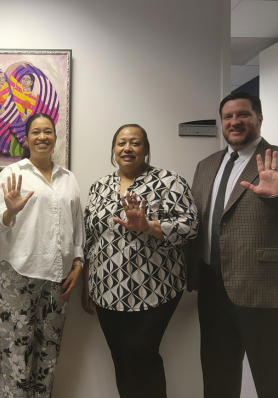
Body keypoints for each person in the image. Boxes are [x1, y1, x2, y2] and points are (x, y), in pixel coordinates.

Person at [186, 92, 278, 398]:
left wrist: (277, 194)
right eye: (228, 116)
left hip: (266, 289)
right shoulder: (206, 165)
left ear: (259, 118)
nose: (235, 122)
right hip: (213, 288)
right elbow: (197, 221)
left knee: (274, 383)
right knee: (218, 378)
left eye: (243, 115)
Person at [81, 124, 198, 398]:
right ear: (114, 149)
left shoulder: (169, 181)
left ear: (146, 149)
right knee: (120, 357)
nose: (128, 148)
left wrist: (149, 226)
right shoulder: (99, 186)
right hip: (105, 290)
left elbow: (190, 226)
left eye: (135, 143)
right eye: (121, 143)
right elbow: (90, 238)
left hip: (155, 287)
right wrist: (87, 281)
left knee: (141, 354)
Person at [0, 112, 85, 398]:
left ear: (55, 138)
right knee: (16, 356)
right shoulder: (12, 174)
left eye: (48, 132)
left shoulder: (68, 178)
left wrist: (78, 262)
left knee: (48, 356)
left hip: (58, 277)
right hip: (17, 275)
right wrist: (10, 211)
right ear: (26, 139)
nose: (42, 136)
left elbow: (76, 223)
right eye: (36, 132)